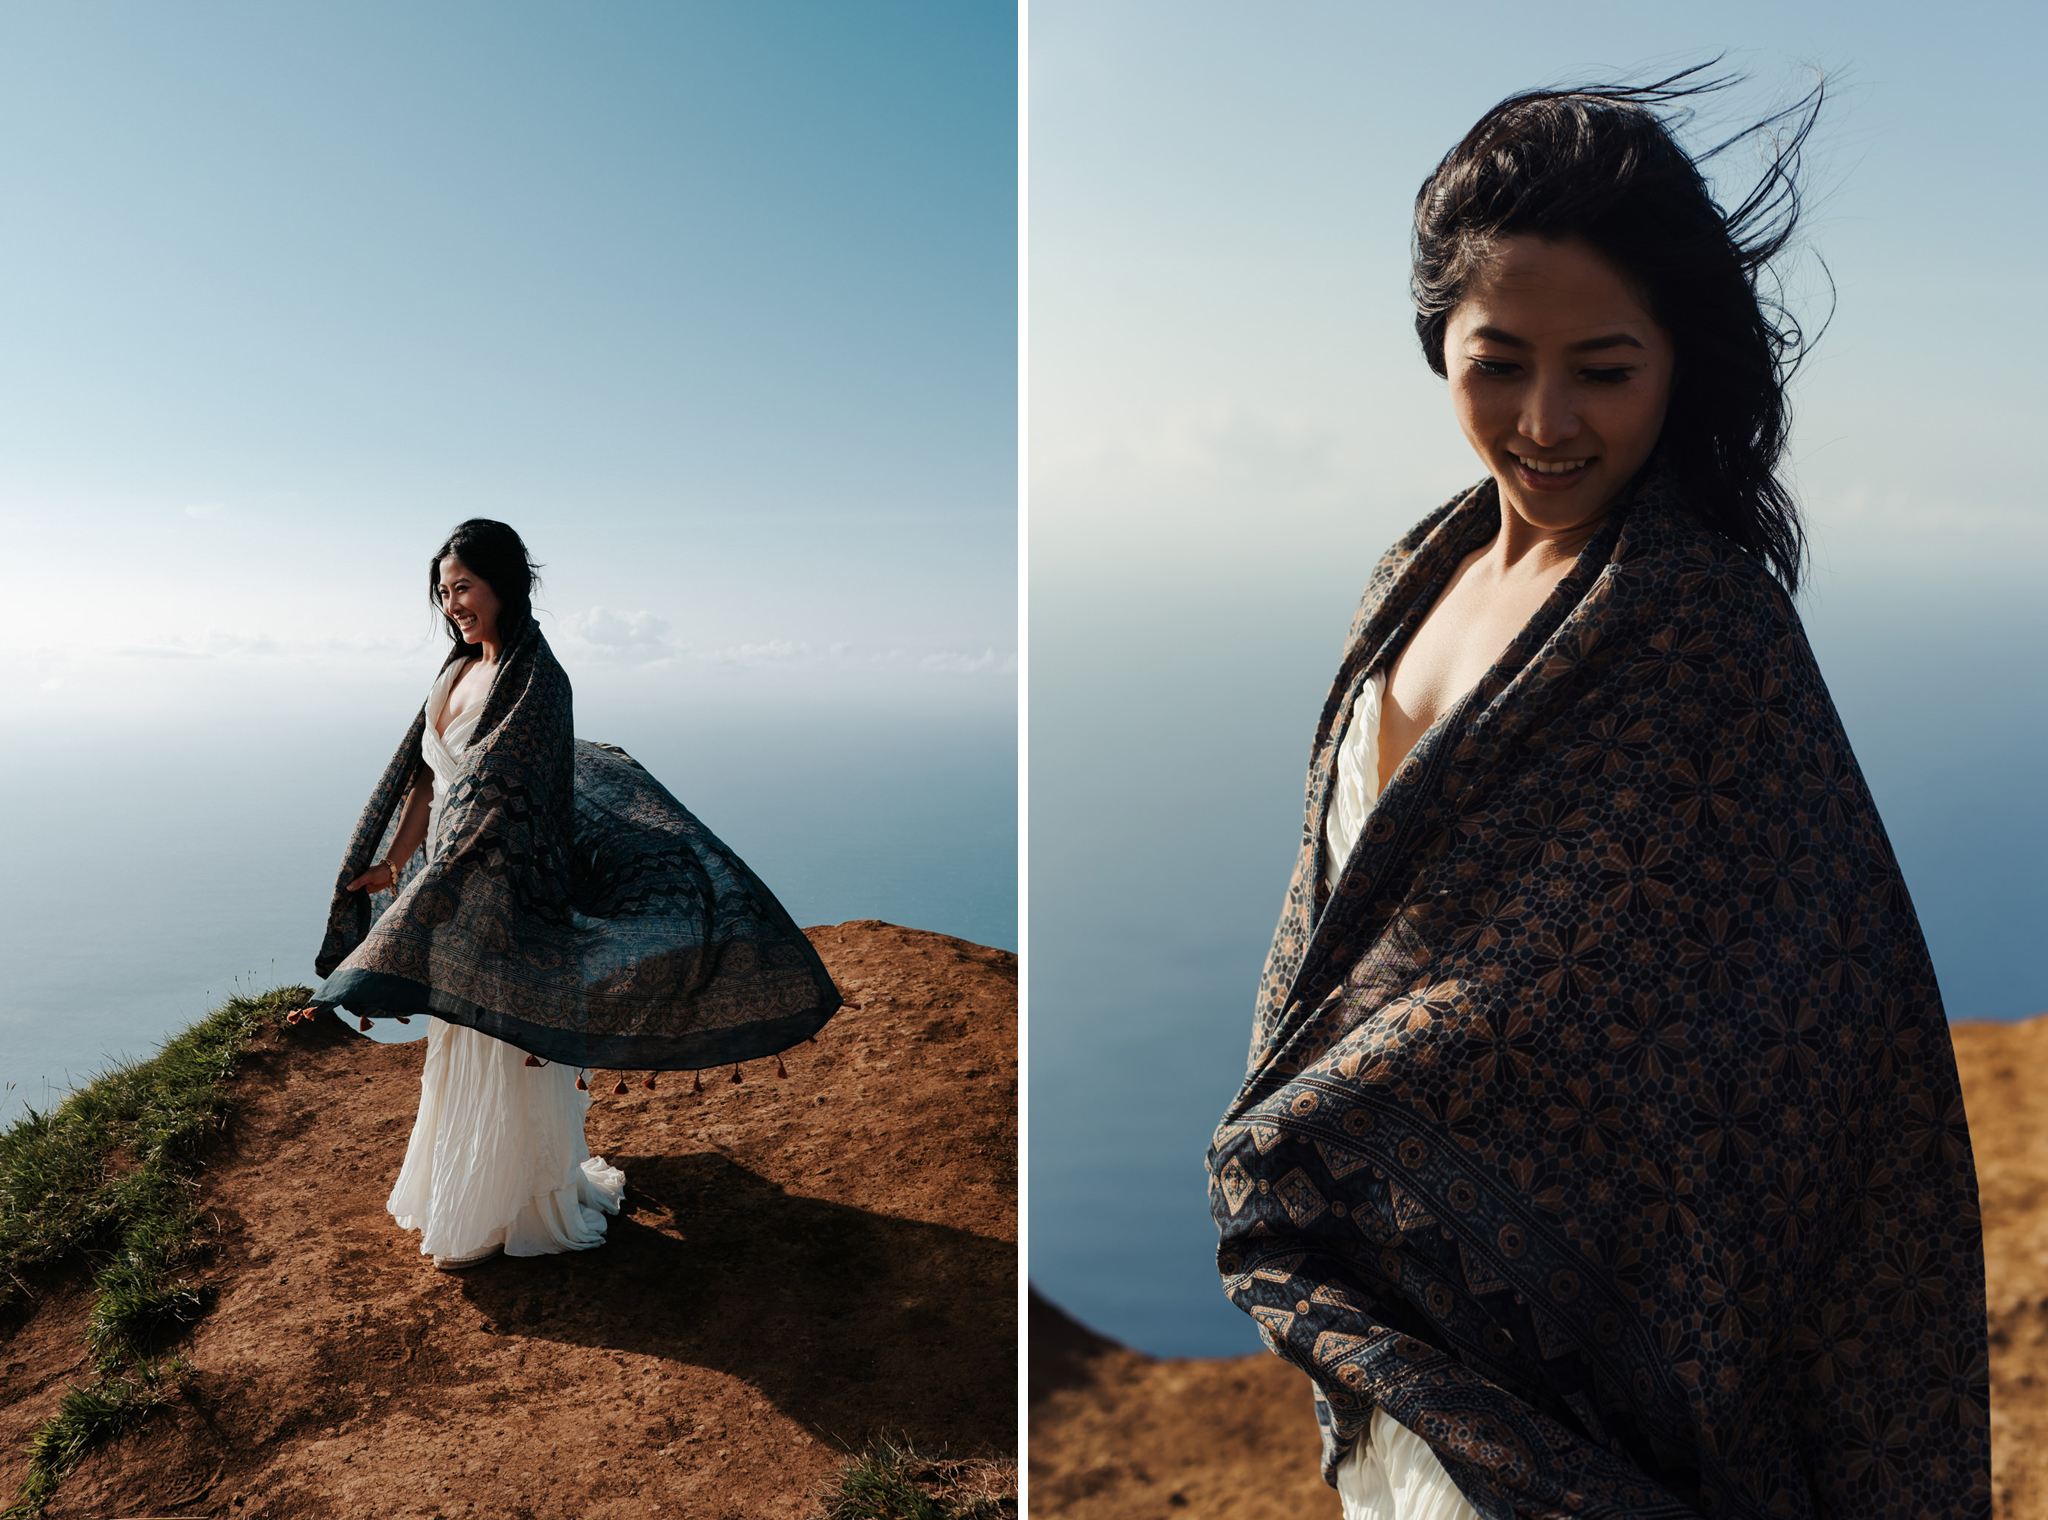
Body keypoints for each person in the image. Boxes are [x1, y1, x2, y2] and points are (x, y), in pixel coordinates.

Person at [1206, 74, 1988, 1520]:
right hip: (1396, 1334)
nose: (1547, 420)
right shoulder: (1410, 576)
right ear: (1436, 340)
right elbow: (1337, 921)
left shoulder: (1696, 623)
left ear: (1677, 363)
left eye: (1606, 368)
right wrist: (1310, 1131)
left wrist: (1314, 1120)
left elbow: (1803, 1029)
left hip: (1573, 1375)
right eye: (1499, 361)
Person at [293, 520, 841, 1272]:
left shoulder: (539, 683)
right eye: (444, 592)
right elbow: (427, 778)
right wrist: (394, 867)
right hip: (454, 885)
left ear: (506, 586)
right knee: (466, 1040)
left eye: (465, 588)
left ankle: (521, 1205)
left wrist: (430, 896)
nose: (454, 604)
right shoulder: (453, 672)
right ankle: (466, 1192)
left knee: (507, 1042)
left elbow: (508, 805)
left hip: (507, 892)